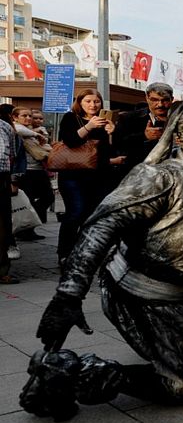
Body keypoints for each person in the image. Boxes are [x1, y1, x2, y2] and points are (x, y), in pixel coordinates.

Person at [19, 98, 183, 421]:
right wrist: (68, 296)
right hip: (144, 295)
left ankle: (174, 352)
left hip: (175, 292)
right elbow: (101, 226)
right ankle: (66, 372)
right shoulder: (162, 177)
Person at [56, 89, 115, 265]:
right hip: (73, 174)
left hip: (99, 174)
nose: (92, 105)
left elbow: (110, 149)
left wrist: (112, 132)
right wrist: (89, 126)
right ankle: (65, 253)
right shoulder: (70, 118)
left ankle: (85, 251)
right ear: (80, 102)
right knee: (76, 213)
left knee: (93, 215)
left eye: (96, 101)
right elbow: (70, 141)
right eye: (88, 101)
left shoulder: (107, 120)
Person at [113, 83, 174, 175]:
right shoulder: (128, 118)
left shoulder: (182, 119)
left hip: (172, 173)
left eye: (165, 100)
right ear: (147, 98)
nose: (160, 104)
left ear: (172, 99)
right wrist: (144, 136)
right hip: (139, 175)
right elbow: (118, 144)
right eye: (154, 100)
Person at [12, 107, 53, 239]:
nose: (28, 118)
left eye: (30, 116)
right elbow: (18, 130)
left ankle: (30, 223)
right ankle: (26, 230)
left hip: (39, 170)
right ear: (15, 117)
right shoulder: (16, 129)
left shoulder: (32, 131)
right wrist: (36, 134)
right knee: (27, 200)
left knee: (48, 197)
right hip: (26, 171)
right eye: (24, 116)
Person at [0, 108, 19, 284]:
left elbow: (12, 156)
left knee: (3, 225)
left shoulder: (5, 127)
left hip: (1, 177)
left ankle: (2, 270)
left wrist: (12, 180)